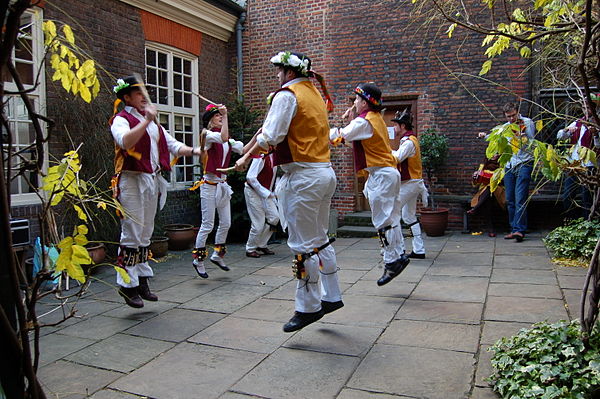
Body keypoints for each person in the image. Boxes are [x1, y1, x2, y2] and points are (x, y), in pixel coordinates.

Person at [235, 51, 343, 333]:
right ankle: (331, 295)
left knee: (302, 245)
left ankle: (308, 307)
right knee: (319, 239)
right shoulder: (315, 94)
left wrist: (246, 154)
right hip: (323, 173)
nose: (277, 75)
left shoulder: (287, 95)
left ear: (289, 71)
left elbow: (270, 137)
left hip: (303, 178)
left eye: (279, 70)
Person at [110, 75, 202, 308]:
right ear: (127, 97)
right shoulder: (120, 120)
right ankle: (126, 284)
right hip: (130, 180)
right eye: (139, 92)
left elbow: (173, 145)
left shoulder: (153, 124)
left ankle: (141, 279)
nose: (144, 96)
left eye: (145, 92)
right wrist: (145, 121)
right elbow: (125, 142)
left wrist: (196, 150)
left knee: (145, 232)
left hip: (151, 180)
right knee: (131, 231)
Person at [330, 83, 410, 286]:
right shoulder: (375, 119)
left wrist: (335, 125)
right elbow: (352, 141)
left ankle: (392, 261)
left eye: (356, 99)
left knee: (383, 220)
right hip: (385, 173)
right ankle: (398, 254)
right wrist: (351, 120)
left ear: (364, 102)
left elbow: (339, 136)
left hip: (381, 174)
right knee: (391, 217)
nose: (354, 102)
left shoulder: (364, 122)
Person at [191, 104, 244, 278]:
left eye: (221, 116)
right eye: (217, 116)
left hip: (222, 186)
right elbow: (222, 138)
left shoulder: (226, 139)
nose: (220, 117)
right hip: (209, 186)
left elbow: (243, 149)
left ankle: (217, 255)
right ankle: (198, 260)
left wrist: (260, 137)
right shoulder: (207, 135)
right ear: (210, 121)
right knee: (207, 224)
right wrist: (226, 115)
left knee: (226, 223)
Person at [479, 102, 535, 242]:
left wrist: (522, 136)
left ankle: (520, 230)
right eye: (508, 116)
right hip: (509, 164)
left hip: (524, 162)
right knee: (510, 198)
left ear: (517, 112)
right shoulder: (505, 127)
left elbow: (532, 143)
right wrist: (485, 136)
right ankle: (513, 228)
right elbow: (498, 141)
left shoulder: (527, 123)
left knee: (520, 197)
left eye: (513, 115)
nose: (511, 119)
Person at [390, 111, 427, 258]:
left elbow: (398, 157)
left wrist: (384, 152)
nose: (393, 127)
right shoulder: (410, 139)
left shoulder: (409, 141)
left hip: (410, 183)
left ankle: (399, 250)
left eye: (395, 124)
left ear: (403, 125)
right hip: (412, 182)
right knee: (409, 216)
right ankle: (419, 250)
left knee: (393, 212)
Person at [556, 102, 599, 219]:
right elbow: (560, 136)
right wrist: (567, 131)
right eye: (584, 107)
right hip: (574, 164)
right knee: (568, 195)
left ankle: (586, 222)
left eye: (588, 108)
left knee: (587, 197)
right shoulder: (578, 122)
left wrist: (595, 135)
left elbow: (598, 146)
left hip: (590, 165)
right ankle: (571, 222)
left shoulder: (597, 123)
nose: (586, 110)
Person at [244, 149, 279, 258]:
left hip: (266, 192)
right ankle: (250, 248)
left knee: (274, 218)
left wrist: (271, 193)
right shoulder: (260, 156)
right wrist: (266, 193)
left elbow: (272, 178)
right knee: (258, 223)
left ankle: (261, 244)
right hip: (253, 192)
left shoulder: (275, 157)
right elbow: (250, 177)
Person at [467, 155, 506, 237]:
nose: (493, 155)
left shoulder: (502, 165)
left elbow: (504, 181)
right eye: (491, 153)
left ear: (499, 155)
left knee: (490, 187)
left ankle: (475, 208)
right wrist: (475, 178)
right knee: (487, 200)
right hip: (484, 192)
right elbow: (476, 184)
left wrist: (493, 180)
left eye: (496, 153)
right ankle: (491, 230)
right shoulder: (482, 166)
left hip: (498, 191)